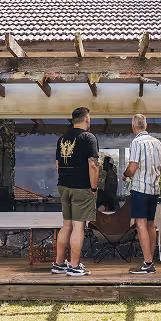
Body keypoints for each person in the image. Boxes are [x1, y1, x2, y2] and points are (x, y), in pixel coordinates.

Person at [52, 107, 99, 277]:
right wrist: (93, 188)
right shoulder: (88, 138)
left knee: (66, 225)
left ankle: (58, 264)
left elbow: (58, 165)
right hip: (81, 187)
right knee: (79, 225)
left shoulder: (62, 139)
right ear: (87, 119)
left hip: (63, 185)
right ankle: (74, 265)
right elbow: (93, 165)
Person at [123, 114, 161, 275]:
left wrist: (125, 174)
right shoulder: (157, 142)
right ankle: (150, 260)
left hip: (140, 189)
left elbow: (132, 167)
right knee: (150, 224)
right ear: (145, 126)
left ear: (133, 127)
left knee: (140, 224)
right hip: (154, 189)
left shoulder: (136, 142)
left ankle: (147, 263)